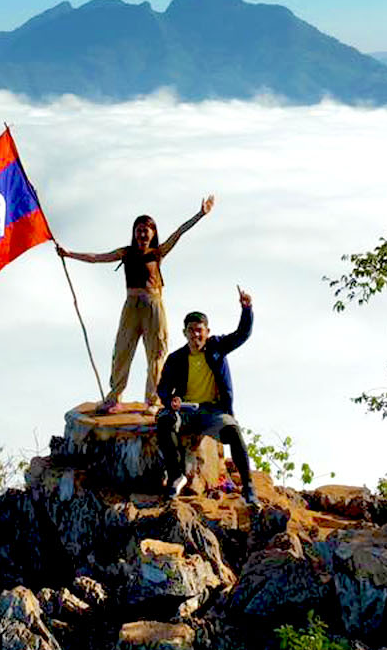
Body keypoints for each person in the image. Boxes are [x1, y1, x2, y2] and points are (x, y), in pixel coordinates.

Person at [58, 196, 215, 413]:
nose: (142, 234)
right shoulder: (126, 253)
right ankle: (114, 397)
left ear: (152, 233)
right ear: (134, 233)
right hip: (131, 305)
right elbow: (97, 258)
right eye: (139, 230)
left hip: (153, 305)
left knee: (157, 352)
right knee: (122, 349)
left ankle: (153, 400)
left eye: (146, 230)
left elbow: (179, 232)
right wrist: (69, 254)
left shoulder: (157, 253)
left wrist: (200, 214)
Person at [155, 286, 256, 506]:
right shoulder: (176, 359)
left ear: (207, 332)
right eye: (191, 330)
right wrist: (170, 400)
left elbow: (242, 334)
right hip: (186, 410)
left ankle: (248, 487)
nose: (196, 334)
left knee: (233, 431)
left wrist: (246, 309)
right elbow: (162, 388)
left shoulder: (217, 347)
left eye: (200, 330)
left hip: (213, 411)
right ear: (185, 333)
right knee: (164, 420)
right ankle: (176, 475)